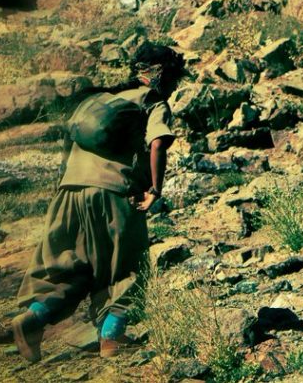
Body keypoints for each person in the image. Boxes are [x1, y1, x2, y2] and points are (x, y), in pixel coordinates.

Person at [11, 42, 187, 362]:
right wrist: (155, 190)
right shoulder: (151, 101)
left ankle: (33, 319)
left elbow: (66, 149)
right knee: (126, 267)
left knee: (71, 267)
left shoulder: (97, 98)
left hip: (70, 192)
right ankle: (112, 338)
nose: (175, 87)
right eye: (174, 79)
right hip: (114, 193)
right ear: (161, 74)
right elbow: (158, 144)